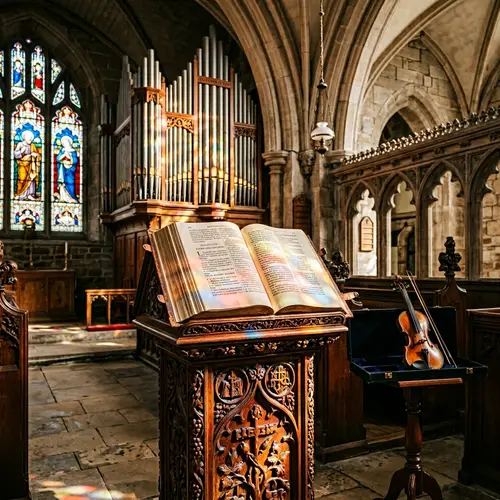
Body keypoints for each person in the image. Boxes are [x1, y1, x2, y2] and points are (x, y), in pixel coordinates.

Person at [14, 129, 41, 200]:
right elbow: (16, 155)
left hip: (31, 166)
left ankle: (30, 194)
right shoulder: (20, 144)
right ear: (24, 137)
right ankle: (20, 194)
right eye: (28, 137)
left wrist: (35, 155)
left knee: (31, 179)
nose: (30, 138)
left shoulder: (33, 146)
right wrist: (21, 152)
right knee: (22, 179)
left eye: (31, 137)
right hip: (22, 165)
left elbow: (38, 156)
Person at [56, 135, 78, 203]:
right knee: (62, 183)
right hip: (62, 170)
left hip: (70, 171)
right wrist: (64, 155)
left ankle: (71, 197)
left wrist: (69, 156)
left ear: (69, 143)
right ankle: (63, 197)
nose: (66, 144)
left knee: (70, 182)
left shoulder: (73, 151)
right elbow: (58, 159)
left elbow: (75, 160)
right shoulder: (62, 151)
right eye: (64, 143)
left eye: (67, 143)